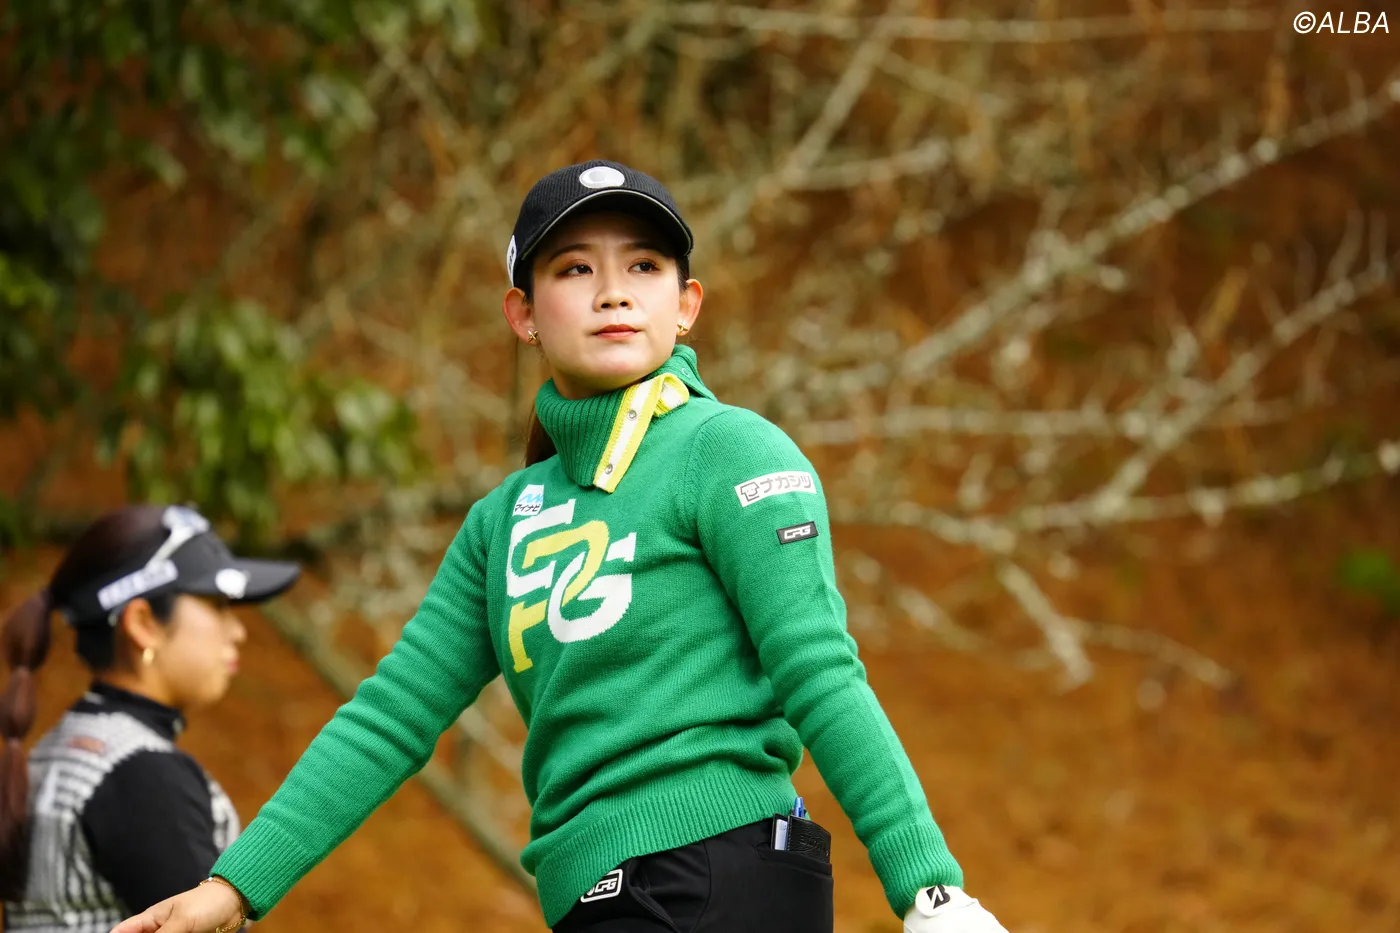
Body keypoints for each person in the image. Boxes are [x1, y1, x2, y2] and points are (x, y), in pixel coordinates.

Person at [108, 161, 1009, 933]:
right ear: (523, 313)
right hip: (599, 895)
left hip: (721, 869)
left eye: (644, 265)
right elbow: (392, 715)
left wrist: (927, 888)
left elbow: (820, 669)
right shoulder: (501, 520)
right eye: (576, 268)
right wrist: (235, 885)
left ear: (686, 304)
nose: (614, 291)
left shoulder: (730, 450)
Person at [0, 504, 301, 933]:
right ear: (143, 623)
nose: (238, 631)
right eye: (218, 605)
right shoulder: (143, 777)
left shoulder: (63, 746)